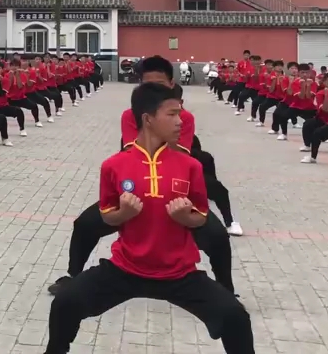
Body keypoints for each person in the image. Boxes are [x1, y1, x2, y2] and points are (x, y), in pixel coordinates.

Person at [45, 82, 253, 354]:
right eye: (172, 114)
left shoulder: (190, 166)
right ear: (148, 119)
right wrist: (123, 214)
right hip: (126, 269)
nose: (181, 121)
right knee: (64, 303)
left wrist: (185, 218)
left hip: (179, 273)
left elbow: (201, 217)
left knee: (235, 316)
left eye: (181, 114)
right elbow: (107, 216)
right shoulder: (114, 165)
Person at [48, 57, 239, 297]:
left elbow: (178, 156)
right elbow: (133, 153)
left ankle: (226, 290)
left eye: (158, 85)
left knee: (218, 237)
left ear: (171, 84)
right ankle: (73, 277)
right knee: (85, 224)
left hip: (175, 196)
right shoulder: (131, 115)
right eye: (146, 85)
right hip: (133, 193)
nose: (152, 91)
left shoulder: (183, 118)